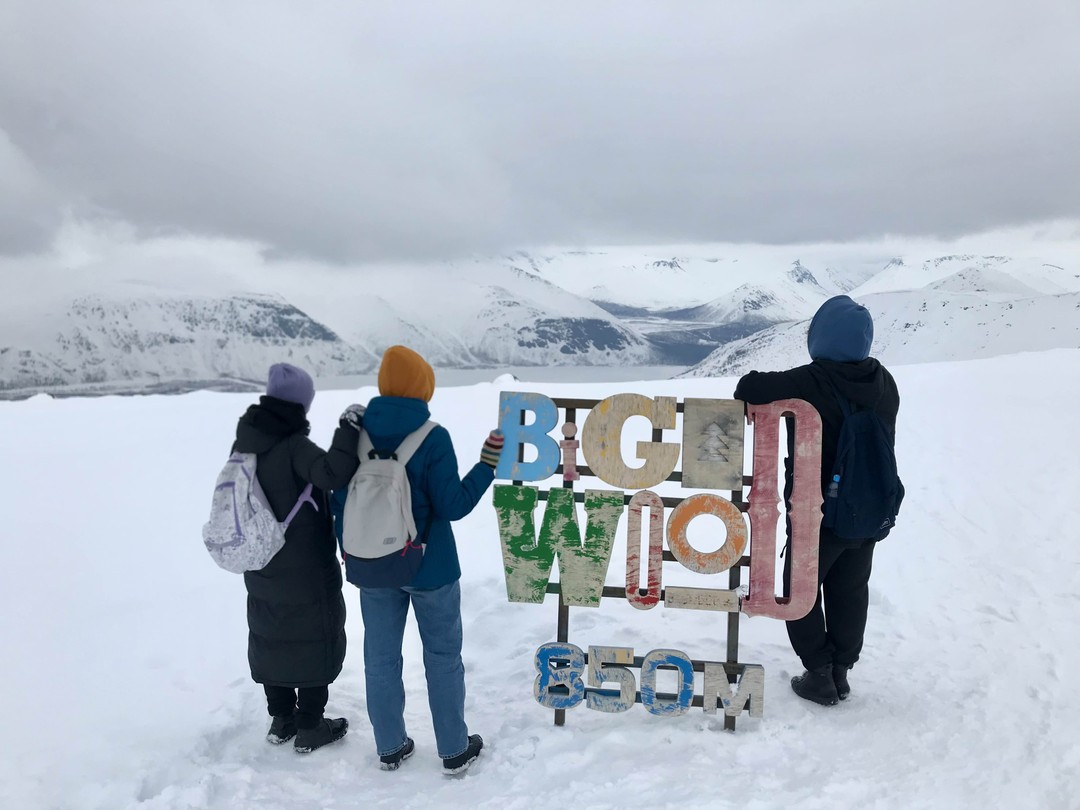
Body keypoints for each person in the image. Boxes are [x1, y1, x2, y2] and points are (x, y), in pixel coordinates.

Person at [331, 345, 503, 774]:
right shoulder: (432, 436)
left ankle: (389, 747)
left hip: (372, 565)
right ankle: (453, 749)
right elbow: (453, 506)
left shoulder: (354, 433)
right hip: (432, 567)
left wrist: (352, 550)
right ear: (423, 387)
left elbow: (338, 500)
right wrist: (486, 466)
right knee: (443, 657)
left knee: (380, 658)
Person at [733, 295, 900, 706]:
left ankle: (819, 673)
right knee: (850, 588)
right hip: (869, 511)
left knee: (799, 591)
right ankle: (841, 671)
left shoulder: (811, 381)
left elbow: (747, 389)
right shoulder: (884, 382)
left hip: (817, 513)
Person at [232, 362, 363, 751]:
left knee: (272, 634)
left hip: (260, 560)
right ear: (300, 404)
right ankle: (309, 725)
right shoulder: (292, 446)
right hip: (304, 565)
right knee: (312, 637)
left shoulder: (245, 443)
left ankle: (280, 719)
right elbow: (332, 473)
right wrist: (348, 429)